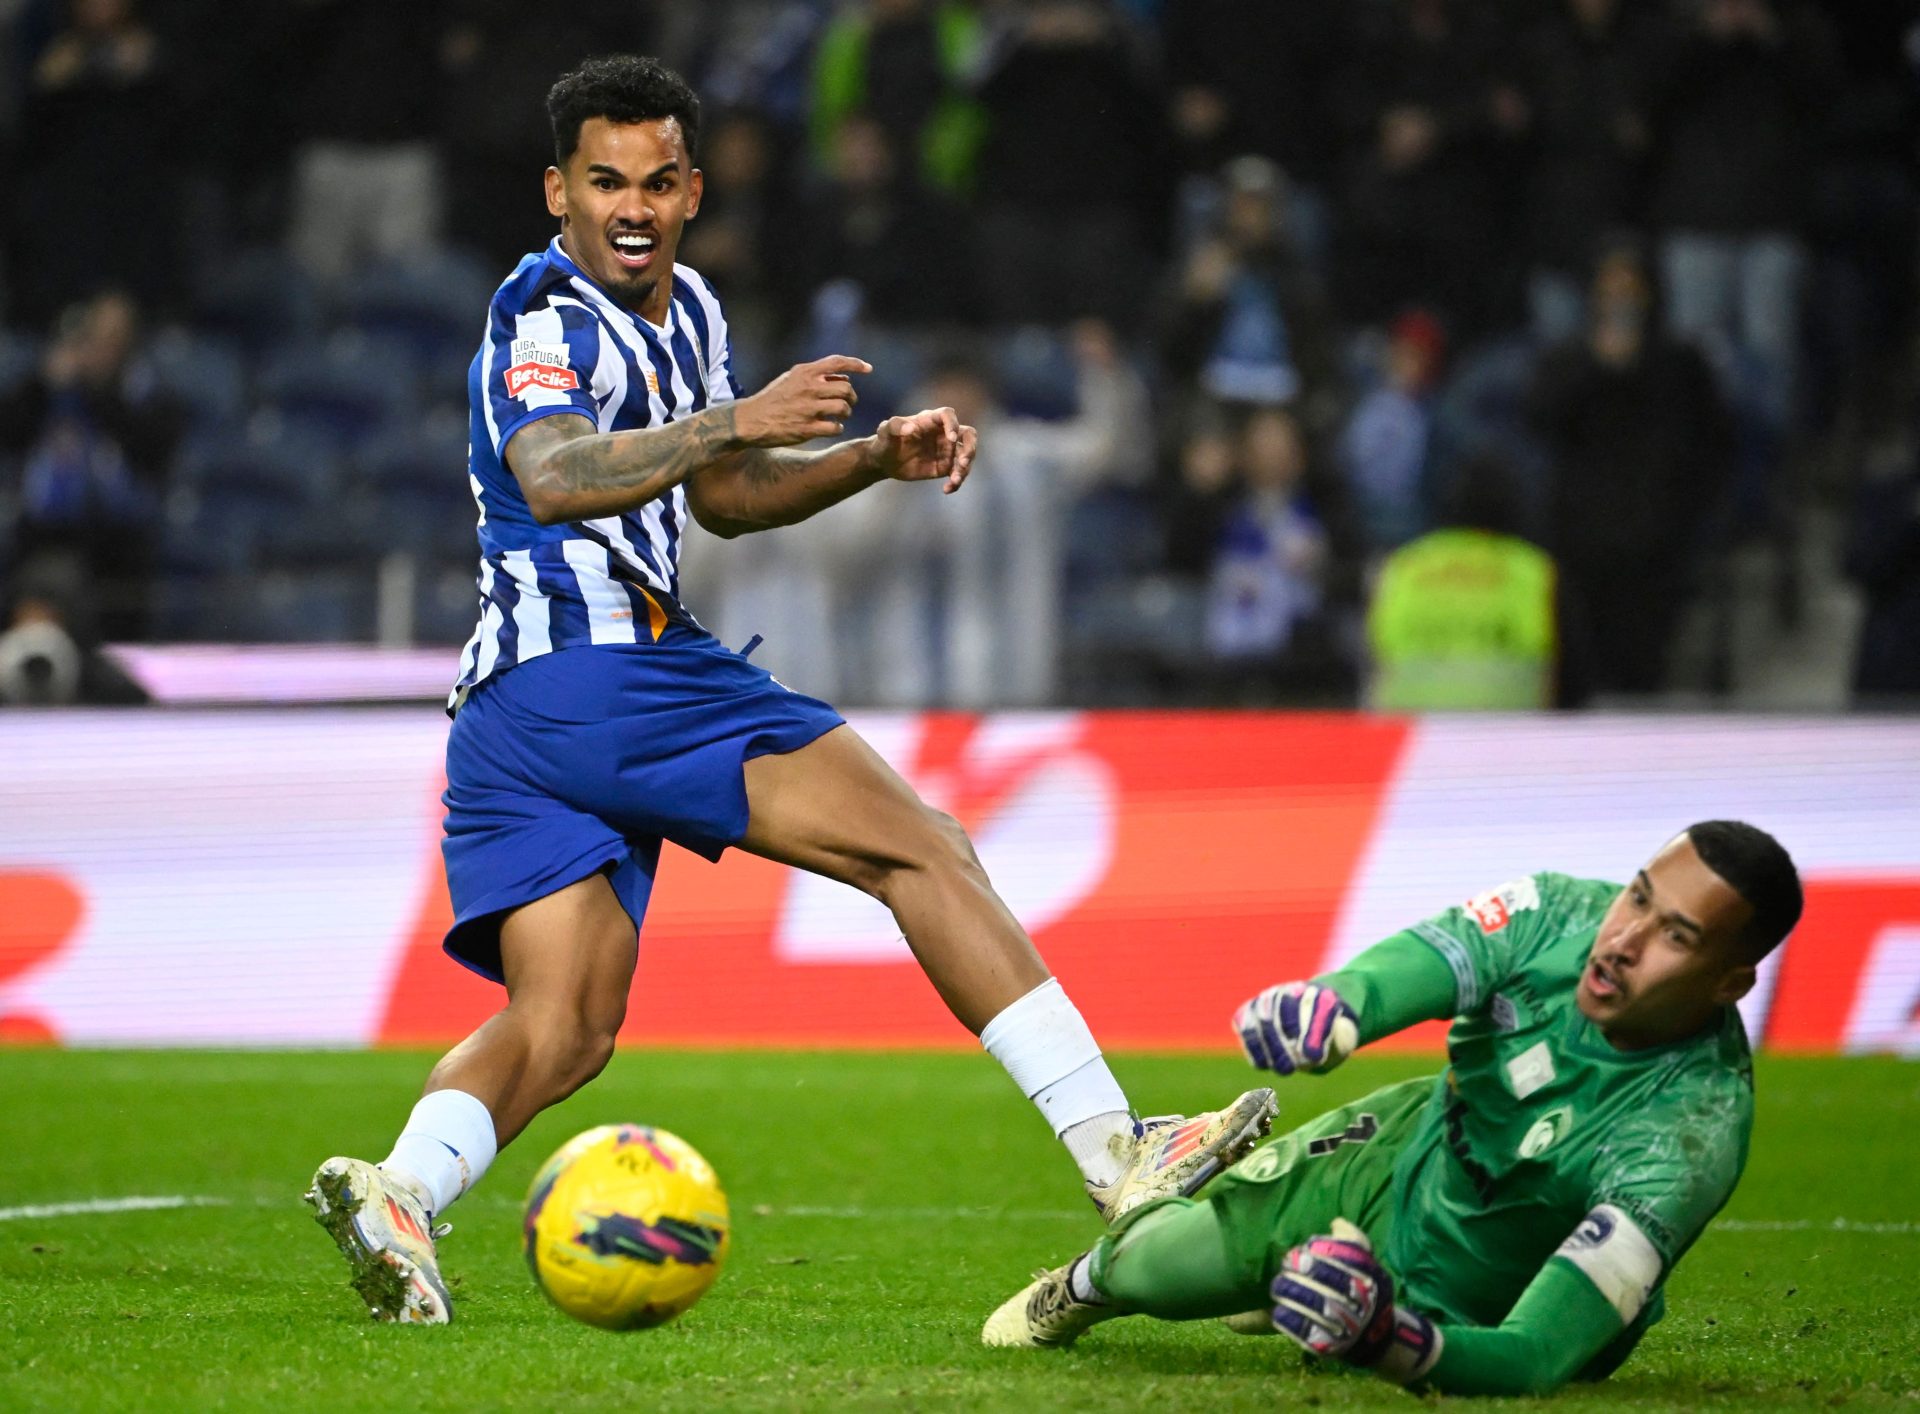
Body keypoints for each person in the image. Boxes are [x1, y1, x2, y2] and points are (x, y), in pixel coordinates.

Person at [303, 55, 1274, 1326]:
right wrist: (738, 418)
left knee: (569, 1021)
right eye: (604, 182)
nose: (632, 206)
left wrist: (867, 458)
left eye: (658, 180)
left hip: (511, 718)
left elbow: (726, 499)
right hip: (600, 673)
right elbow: (555, 474)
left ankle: (401, 1192)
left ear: (695, 190)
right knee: (921, 848)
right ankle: (1118, 1151)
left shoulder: (690, 311)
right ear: (558, 191)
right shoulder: (541, 316)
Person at [983, 821, 1802, 1399]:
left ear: (1731, 984)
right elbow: (1400, 973)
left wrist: (1390, 1340)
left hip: (1476, 1298)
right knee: (1149, 1271)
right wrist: (1330, 1007)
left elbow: (1536, 1355)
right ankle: (1091, 1279)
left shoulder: (1688, 1136)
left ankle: (1297, 1288)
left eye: (1677, 937)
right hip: (1397, 1155)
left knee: (1352, 1362)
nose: (1622, 939)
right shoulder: (1554, 913)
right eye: (1637, 897)